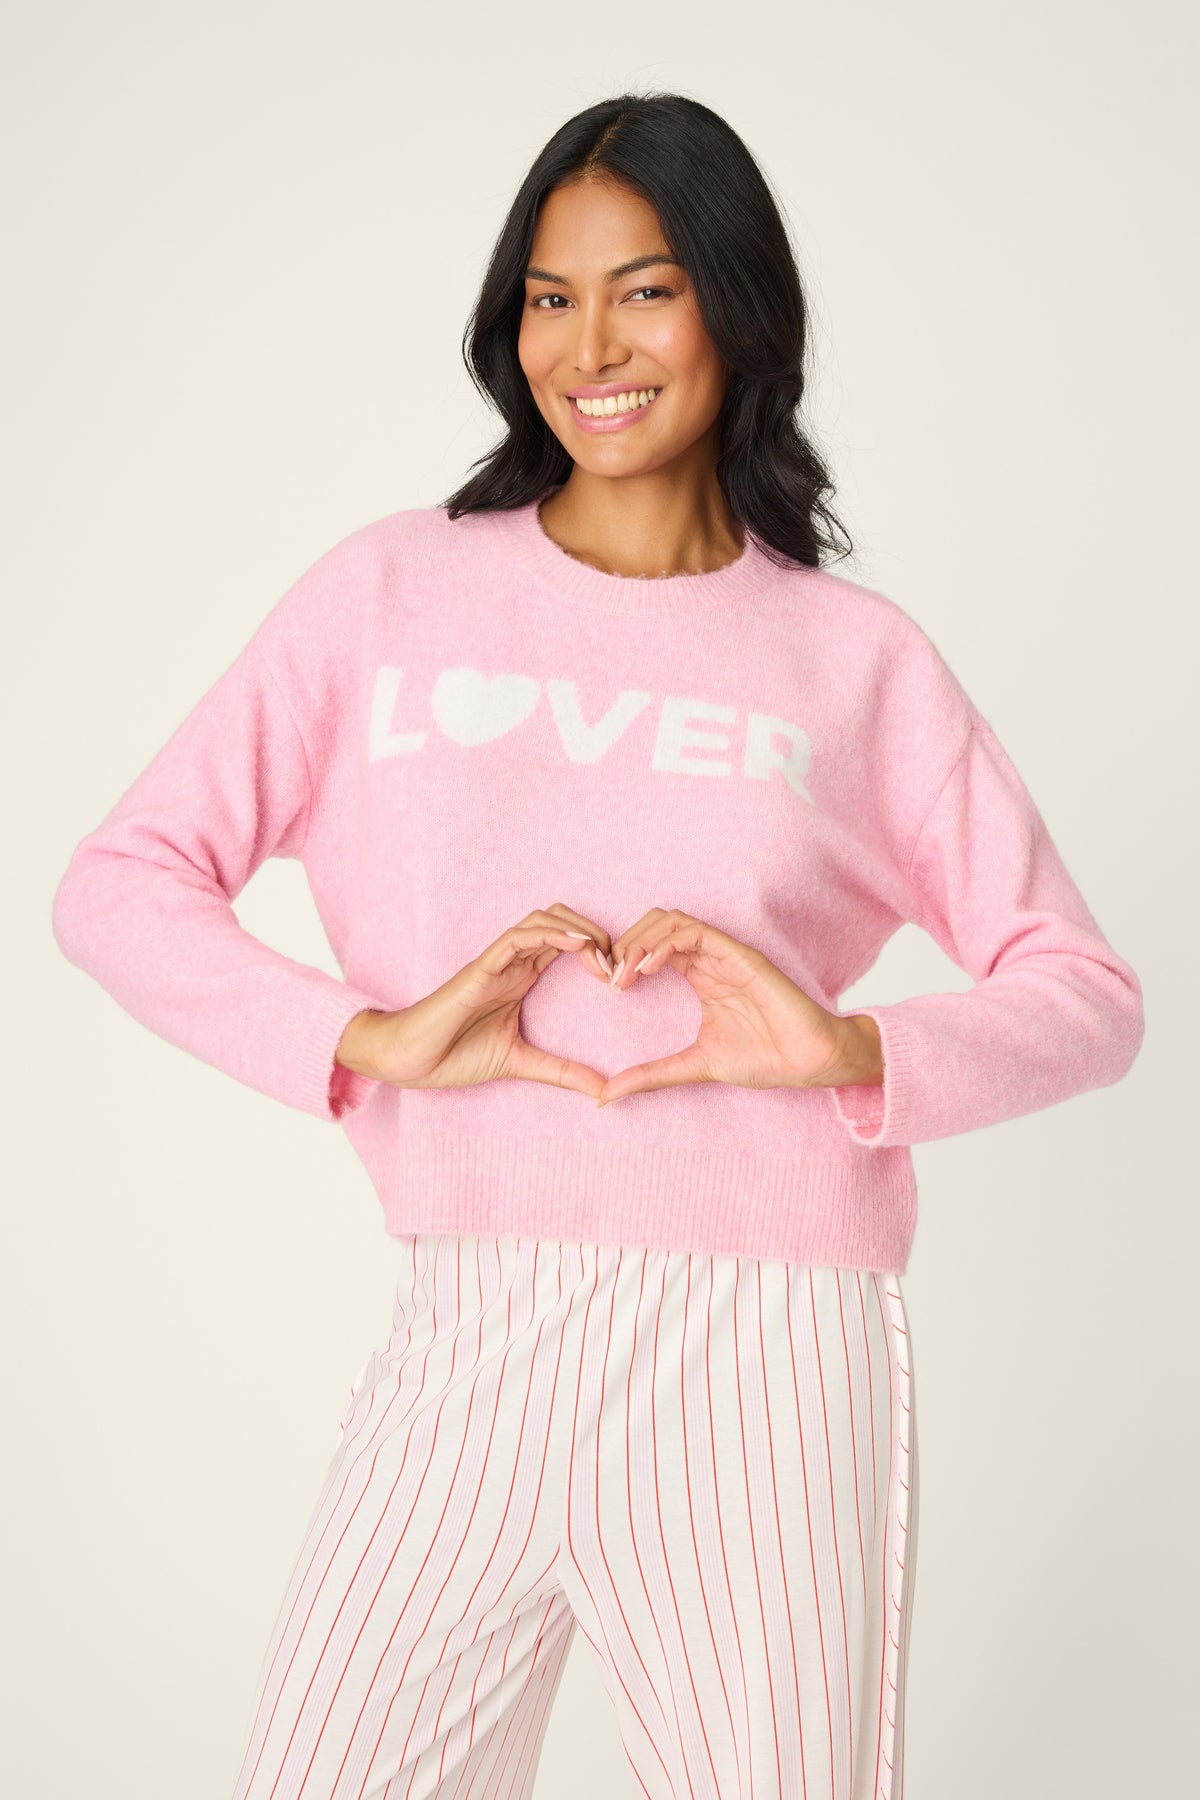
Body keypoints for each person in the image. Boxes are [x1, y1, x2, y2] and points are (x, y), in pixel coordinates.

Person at [50, 92, 1144, 1800]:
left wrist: (855, 1054)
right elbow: (119, 882)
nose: (590, 347)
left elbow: (1086, 995)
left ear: (737, 308)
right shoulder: (388, 596)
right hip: (468, 1319)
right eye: (551, 299)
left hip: (769, 1350)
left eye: (645, 291)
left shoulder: (852, 659)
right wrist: (361, 1037)